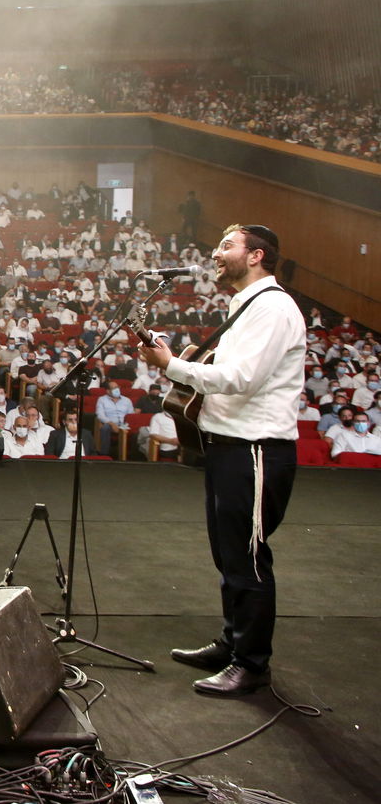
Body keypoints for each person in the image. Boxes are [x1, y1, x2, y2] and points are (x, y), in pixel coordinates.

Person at [141, 224, 305, 698]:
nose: (215, 253)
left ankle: (251, 664)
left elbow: (243, 378)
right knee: (229, 553)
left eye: (227, 245)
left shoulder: (273, 307)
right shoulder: (246, 304)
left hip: (256, 448)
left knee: (247, 557)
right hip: (230, 445)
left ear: (256, 256)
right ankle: (233, 643)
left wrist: (173, 365)